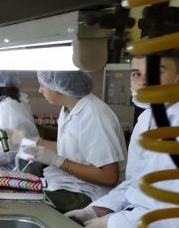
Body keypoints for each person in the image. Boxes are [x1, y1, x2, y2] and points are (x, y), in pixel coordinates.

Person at [65, 50, 179, 228]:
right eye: (136, 74)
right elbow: (134, 184)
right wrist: (96, 210)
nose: (143, 82)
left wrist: (109, 225)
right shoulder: (147, 118)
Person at [19, 70, 126, 213]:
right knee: (21, 196)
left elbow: (109, 177)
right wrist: (36, 142)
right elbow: (71, 147)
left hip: (92, 195)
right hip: (70, 185)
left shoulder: (94, 116)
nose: (40, 90)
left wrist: (59, 162)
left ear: (58, 87)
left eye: (42, 85)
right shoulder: (69, 108)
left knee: (29, 206)